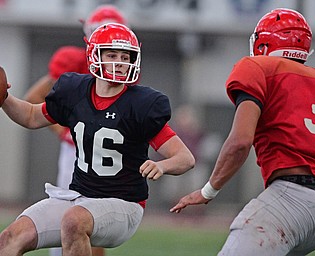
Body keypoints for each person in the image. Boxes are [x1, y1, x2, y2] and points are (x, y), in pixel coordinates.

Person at [0, 23, 195, 256]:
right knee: (10, 238)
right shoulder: (75, 91)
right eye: (111, 54)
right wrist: (4, 98)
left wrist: (162, 165)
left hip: (124, 205)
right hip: (78, 197)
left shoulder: (141, 104)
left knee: (74, 221)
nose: (119, 62)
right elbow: (31, 116)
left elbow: (185, 158)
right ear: (94, 54)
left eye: (125, 56)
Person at [170, 8, 315, 255]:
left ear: (262, 43)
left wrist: (209, 190)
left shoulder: (259, 67)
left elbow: (240, 142)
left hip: (291, 195)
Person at [23, 5, 129, 256]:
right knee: (69, 218)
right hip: (77, 154)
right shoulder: (74, 62)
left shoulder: (125, 69)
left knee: (97, 224)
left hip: (107, 154)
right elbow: (34, 97)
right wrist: (64, 132)